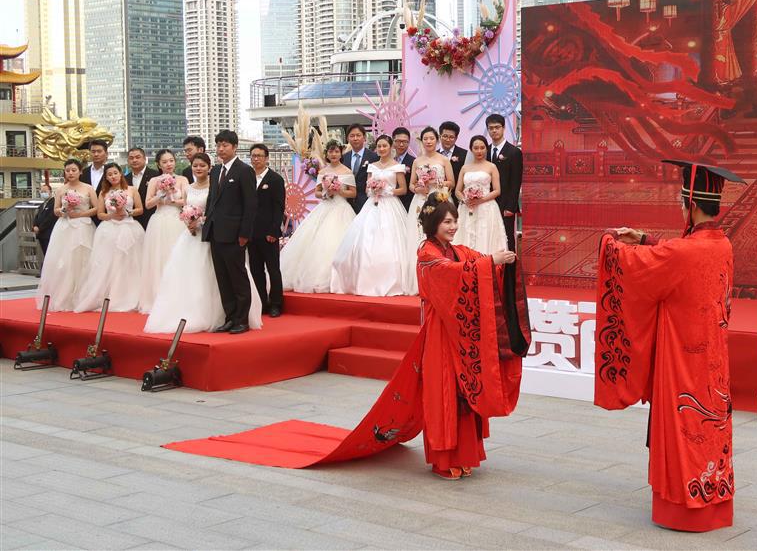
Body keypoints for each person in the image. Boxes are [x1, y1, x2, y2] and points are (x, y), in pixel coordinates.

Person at [165, 194, 532, 480]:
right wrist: (489, 265)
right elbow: (453, 274)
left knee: (459, 393)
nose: (452, 227)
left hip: (455, 335)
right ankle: (443, 458)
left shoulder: (454, 249)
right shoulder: (427, 253)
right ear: (432, 224)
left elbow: (474, 261)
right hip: (439, 336)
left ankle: (464, 455)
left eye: (454, 221)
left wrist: (500, 261)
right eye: (447, 222)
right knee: (442, 394)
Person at [594, 159, 744, 533]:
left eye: (681, 202)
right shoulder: (721, 244)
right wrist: (645, 239)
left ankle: (683, 509)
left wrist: (610, 244)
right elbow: (678, 254)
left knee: (685, 430)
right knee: (710, 430)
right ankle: (714, 498)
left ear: (691, 203)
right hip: (712, 360)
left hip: (683, 360)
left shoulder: (683, 252)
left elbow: (645, 265)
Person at [145, 153, 262, 333]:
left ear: (209, 168)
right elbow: (185, 207)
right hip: (192, 236)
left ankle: (238, 318)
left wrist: (200, 221)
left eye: (202, 165)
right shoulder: (188, 188)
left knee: (227, 276)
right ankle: (222, 315)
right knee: (197, 277)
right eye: (195, 165)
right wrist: (188, 222)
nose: (198, 169)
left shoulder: (216, 182)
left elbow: (216, 208)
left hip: (213, 235)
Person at [330, 134, 414, 296]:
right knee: (366, 239)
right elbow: (367, 189)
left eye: (385, 146)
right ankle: (365, 278)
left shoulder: (397, 166)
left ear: (391, 147)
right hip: (372, 205)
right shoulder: (372, 166)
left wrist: (387, 190)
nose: (382, 149)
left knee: (390, 241)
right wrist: (373, 190)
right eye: (379, 146)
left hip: (390, 205)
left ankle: (391, 279)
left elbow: (402, 189)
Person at [280, 139, 357, 294]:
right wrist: (325, 192)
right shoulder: (322, 172)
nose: (334, 154)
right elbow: (317, 192)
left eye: (336, 151)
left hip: (342, 208)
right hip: (325, 207)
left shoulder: (347, 171)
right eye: (330, 151)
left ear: (341, 153)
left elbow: (353, 193)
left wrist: (338, 191)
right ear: (326, 154)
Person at [203, 129, 258, 334]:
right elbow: (211, 200)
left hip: (235, 234)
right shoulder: (216, 170)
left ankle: (242, 319)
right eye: (218, 145)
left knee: (238, 277)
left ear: (234, 147)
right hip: (216, 232)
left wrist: (245, 234)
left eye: (225, 145)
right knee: (223, 278)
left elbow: (251, 205)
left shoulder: (244, 170)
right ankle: (230, 317)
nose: (221, 149)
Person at [74, 163, 146, 313]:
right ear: (106, 177)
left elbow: (140, 209)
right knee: (108, 263)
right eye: (109, 174)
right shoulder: (103, 192)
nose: (113, 176)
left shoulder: (131, 190)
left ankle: (130, 295)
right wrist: (111, 215)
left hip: (130, 228)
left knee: (131, 263)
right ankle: (108, 295)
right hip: (109, 230)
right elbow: (100, 214)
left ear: (120, 173)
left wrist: (128, 213)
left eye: (115, 173)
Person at [35, 159, 98, 311]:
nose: (70, 173)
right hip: (65, 227)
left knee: (83, 260)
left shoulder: (88, 188)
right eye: (68, 170)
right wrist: (64, 210)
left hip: (83, 226)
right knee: (64, 261)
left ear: (80, 171)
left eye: (73, 170)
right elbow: (56, 210)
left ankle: (84, 296)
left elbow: (96, 208)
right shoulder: (61, 190)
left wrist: (81, 213)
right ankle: (64, 296)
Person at [138, 149, 188, 313]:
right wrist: (161, 195)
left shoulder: (182, 179)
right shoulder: (154, 180)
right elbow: (148, 204)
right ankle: (158, 296)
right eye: (165, 162)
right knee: (159, 258)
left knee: (177, 257)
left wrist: (171, 197)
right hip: (159, 221)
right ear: (158, 164)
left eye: (171, 161)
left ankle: (178, 296)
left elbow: (185, 201)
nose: (169, 164)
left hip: (177, 221)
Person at [406, 126, 456, 288]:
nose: (428, 141)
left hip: (439, 199)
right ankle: (419, 280)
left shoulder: (443, 160)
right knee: (419, 235)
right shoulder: (417, 161)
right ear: (422, 141)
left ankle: (443, 275)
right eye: (425, 139)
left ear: (437, 140)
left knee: (440, 233)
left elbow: (452, 183)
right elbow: (411, 185)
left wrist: (437, 182)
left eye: (432, 138)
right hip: (420, 200)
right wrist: (418, 188)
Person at [248, 143, 286, 317]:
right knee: (256, 270)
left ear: (266, 158)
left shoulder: (275, 179)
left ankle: (276, 303)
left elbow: (279, 208)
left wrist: (273, 231)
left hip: (268, 232)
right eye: (253, 156)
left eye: (259, 156)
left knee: (273, 269)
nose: (256, 159)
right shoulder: (247, 177)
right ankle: (262, 302)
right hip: (250, 232)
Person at [454, 135, 507, 254]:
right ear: (471, 149)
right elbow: (457, 190)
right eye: (476, 148)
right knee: (465, 237)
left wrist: (480, 200)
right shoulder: (465, 168)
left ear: (486, 149)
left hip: (486, 208)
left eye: (482, 148)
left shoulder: (492, 166)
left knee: (484, 238)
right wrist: (464, 200)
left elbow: (497, 190)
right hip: (467, 208)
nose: (479, 151)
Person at [486, 114, 522, 251]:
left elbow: (516, 182)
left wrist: (511, 207)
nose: (494, 131)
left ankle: (509, 272)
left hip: (505, 205)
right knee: (490, 239)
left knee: (507, 239)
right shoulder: (484, 151)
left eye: (497, 127)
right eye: (491, 128)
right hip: (487, 203)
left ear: (504, 128)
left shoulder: (514, 152)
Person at [340, 124, 379, 214]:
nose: (355, 138)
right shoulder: (344, 158)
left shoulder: (374, 157)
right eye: (352, 136)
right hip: (347, 203)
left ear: (364, 137)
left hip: (367, 202)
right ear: (348, 139)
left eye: (358, 135)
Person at [125, 147, 159, 229]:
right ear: (128, 161)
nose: (134, 160)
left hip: (151, 220)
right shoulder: (125, 179)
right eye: (131, 158)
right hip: (131, 222)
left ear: (144, 159)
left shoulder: (155, 175)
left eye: (138, 157)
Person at [438, 121, 467, 206]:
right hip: (437, 198)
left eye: (451, 137)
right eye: (445, 136)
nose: (447, 140)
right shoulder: (433, 156)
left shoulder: (465, 155)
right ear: (440, 136)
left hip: (458, 200)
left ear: (456, 138)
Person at [392, 127, 416, 211]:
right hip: (387, 203)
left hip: (406, 204)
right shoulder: (384, 160)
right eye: (398, 141)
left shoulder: (414, 161)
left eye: (405, 142)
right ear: (393, 141)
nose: (401, 145)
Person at [32, 184, 56, 255]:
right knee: (45, 254)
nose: (43, 193)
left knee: (49, 254)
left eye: (45, 191)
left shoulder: (54, 203)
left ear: (50, 192)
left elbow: (50, 218)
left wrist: (40, 228)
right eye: (41, 192)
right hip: (41, 235)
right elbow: (37, 217)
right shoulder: (42, 204)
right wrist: (34, 226)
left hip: (48, 234)